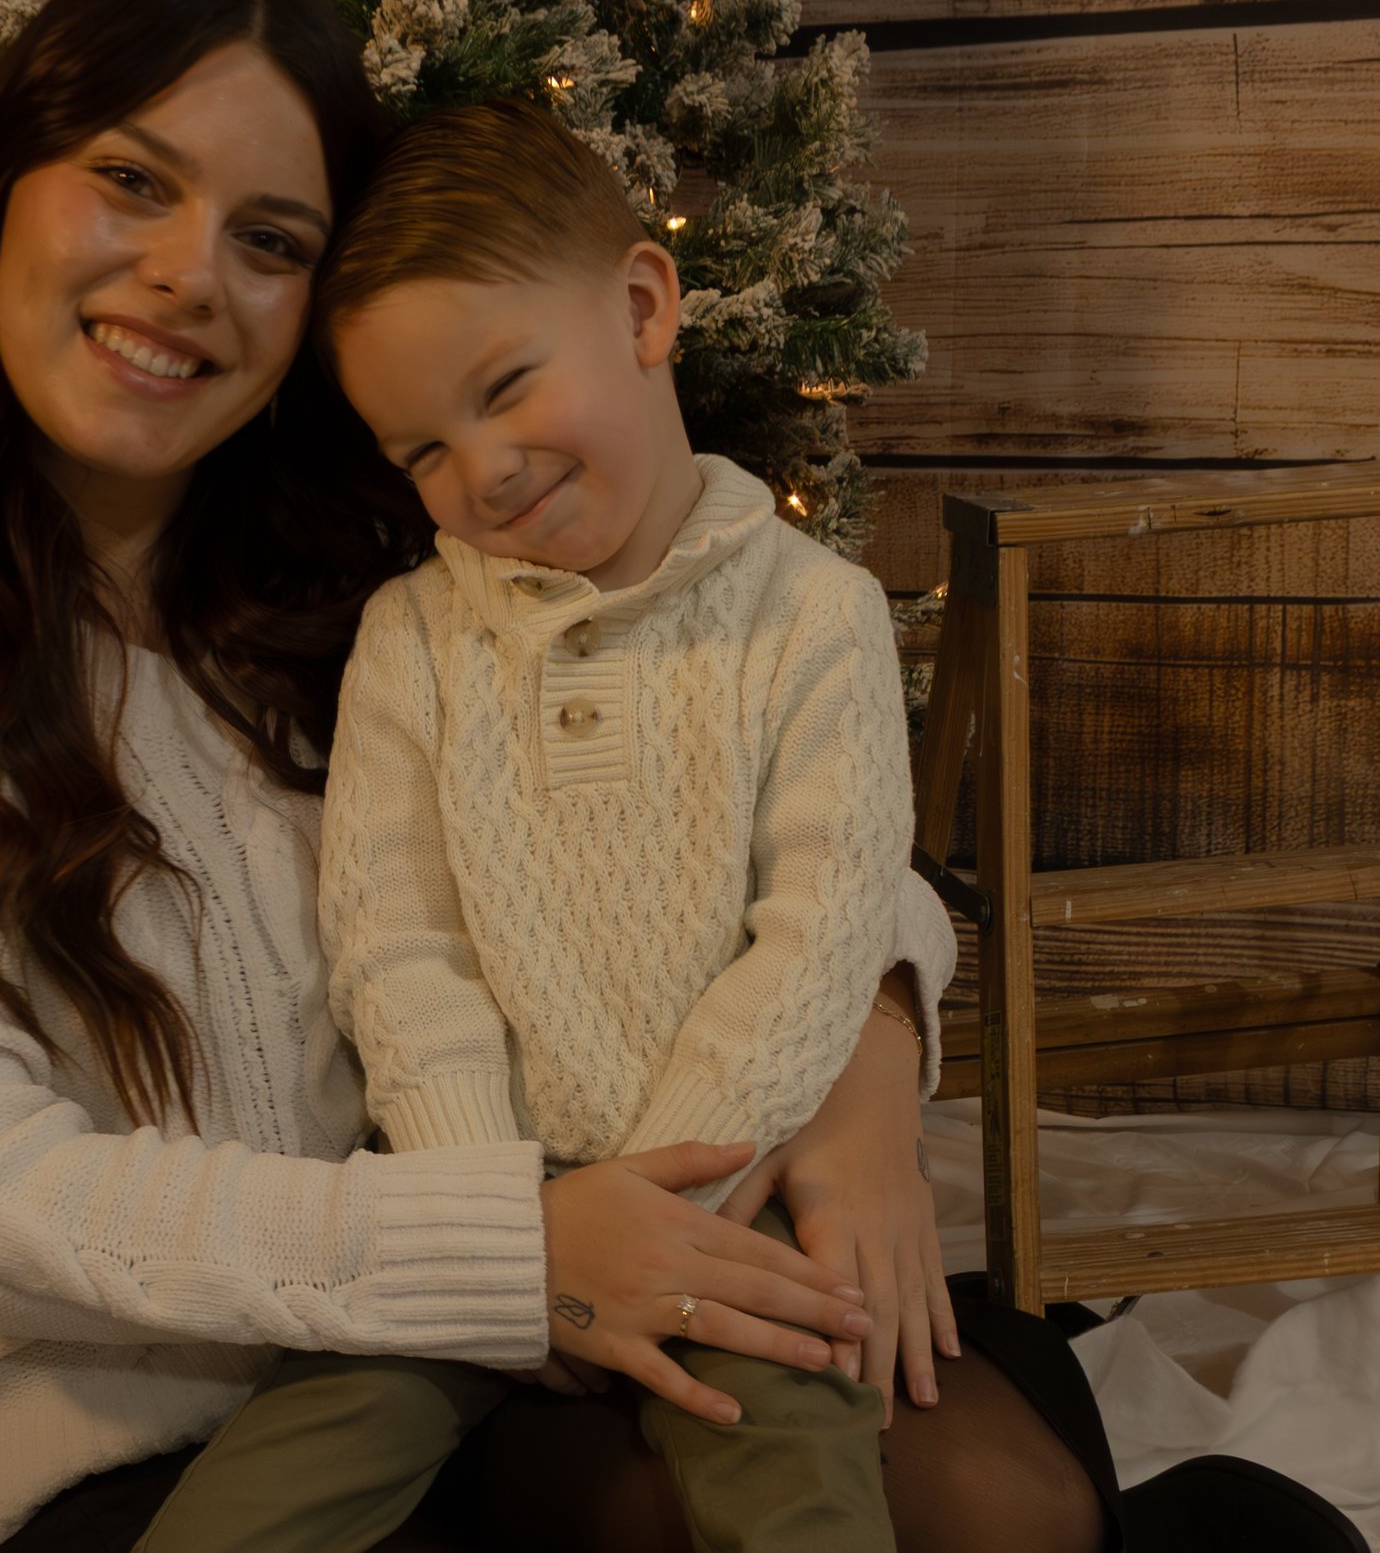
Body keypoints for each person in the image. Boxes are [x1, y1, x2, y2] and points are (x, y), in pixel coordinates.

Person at [0, 0, 1362, 1553]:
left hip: (516, 1302)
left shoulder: (387, 556)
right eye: (130, 178)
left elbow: (779, 837)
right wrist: (506, 1249)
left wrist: (862, 1062)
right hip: (128, 1434)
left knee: (1003, 1489)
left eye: (272, 238)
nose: (191, 275)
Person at [130, 96, 948, 1553]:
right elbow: (396, 945)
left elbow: (825, 927)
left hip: (720, 1191)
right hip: (468, 1204)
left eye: (506, 389)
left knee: (797, 1480)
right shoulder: (419, 638)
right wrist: (487, 1214)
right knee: (281, 1474)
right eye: (423, 452)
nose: (483, 472)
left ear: (641, 305)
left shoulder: (817, 619)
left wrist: (669, 1186)